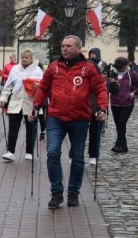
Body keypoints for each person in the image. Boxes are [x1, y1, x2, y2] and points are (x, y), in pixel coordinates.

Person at [29, 35, 108, 209]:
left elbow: (100, 89)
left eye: (69, 46)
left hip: (80, 118)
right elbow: (43, 87)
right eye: (63, 45)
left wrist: (102, 108)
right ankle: (56, 192)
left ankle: (73, 192)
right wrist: (36, 105)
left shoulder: (89, 68)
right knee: (52, 152)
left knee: (77, 157)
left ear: (79, 49)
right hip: (56, 117)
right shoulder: (54, 67)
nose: (64, 48)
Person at [0, 49, 43, 162]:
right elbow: (8, 86)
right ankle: (10, 152)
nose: (24, 59)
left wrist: (37, 87)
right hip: (16, 102)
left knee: (31, 129)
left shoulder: (37, 70)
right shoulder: (15, 70)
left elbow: (43, 88)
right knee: (13, 128)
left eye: (26, 57)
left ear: (31, 58)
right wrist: (3, 98)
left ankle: (29, 152)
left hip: (30, 103)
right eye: (22, 57)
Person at [106, 57, 138, 153]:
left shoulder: (132, 74)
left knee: (122, 123)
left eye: (121, 67)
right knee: (118, 124)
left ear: (126, 66)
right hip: (115, 102)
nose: (119, 69)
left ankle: (118, 143)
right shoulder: (113, 73)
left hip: (127, 103)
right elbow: (107, 87)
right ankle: (124, 145)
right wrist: (111, 83)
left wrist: (134, 93)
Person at [85, 47, 110, 165]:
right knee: (79, 133)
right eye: (91, 53)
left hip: (96, 106)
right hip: (84, 106)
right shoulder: (84, 66)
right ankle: (74, 154)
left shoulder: (103, 66)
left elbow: (108, 90)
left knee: (95, 133)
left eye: (95, 54)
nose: (93, 55)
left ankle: (93, 155)